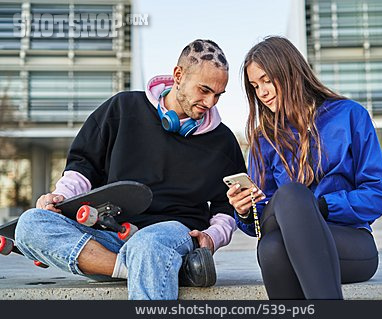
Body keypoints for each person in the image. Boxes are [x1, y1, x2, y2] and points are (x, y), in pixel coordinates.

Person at [15, 39, 246, 300]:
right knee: (30, 224)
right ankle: (138, 268)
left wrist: (212, 237)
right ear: (178, 76)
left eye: (218, 95)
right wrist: (61, 198)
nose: (211, 102)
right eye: (204, 90)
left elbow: (225, 208)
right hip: (110, 236)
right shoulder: (122, 109)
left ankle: (153, 263)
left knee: (147, 245)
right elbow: (84, 165)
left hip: (171, 234)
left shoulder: (223, 141)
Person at [227, 36, 382, 300]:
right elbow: (260, 221)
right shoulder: (263, 138)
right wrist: (246, 212)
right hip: (282, 240)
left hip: (350, 244)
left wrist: (320, 206)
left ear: (291, 72)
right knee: (274, 237)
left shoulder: (349, 115)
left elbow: (378, 194)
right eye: (255, 86)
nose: (263, 93)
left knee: (279, 231)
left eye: (268, 80)